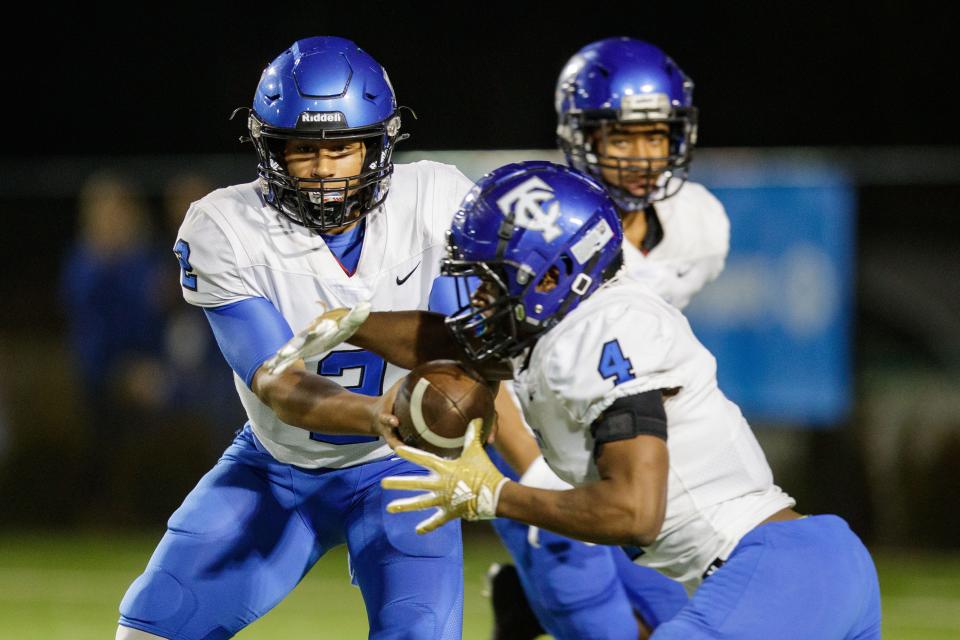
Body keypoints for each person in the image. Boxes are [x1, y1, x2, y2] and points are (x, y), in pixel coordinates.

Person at [329, 161, 881, 639]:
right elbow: (448, 339)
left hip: (778, 573)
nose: (478, 298)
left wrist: (494, 495)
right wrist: (349, 322)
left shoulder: (604, 329)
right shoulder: (563, 327)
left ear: (551, 277)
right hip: (797, 573)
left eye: (493, 282)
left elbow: (634, 512)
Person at [116, 36, 474, 640]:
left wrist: (441, 397)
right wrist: (386, 411)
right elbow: (280, 382)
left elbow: (450, 351)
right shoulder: (225, 225)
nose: (324, 169)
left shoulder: (435, 199)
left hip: (401, 473)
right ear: (270, 150)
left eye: (343, 147)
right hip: (278, 467)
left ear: (379, 145)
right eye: (303, 149)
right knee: (151, 628)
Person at [479, 37, 729, 639]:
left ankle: (520, 605)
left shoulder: (701, 224)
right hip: (528, 427)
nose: (641, 157)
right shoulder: (533, 221)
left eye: (656, 136)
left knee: (676, 618)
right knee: (599, 624)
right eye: (621, 137)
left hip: (617, 429)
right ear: (580, 137)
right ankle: (535, 597)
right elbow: (485, 368)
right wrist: (534, 471)